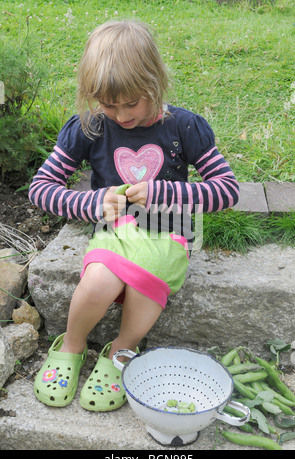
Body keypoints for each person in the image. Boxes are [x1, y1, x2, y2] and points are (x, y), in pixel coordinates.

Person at [29, 19, 239, 411]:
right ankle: (72, 345)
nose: (121, 115)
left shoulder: (185, 127)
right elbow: (40, 189)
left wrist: (166, 192)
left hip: (171, 228)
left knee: (145, 279)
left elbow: (227, 190)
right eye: (109, 105)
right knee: (98, 281)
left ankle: (121, 350)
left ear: (155, 82)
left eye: (132, 103)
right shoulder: (89, 127)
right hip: (116, 227)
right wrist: (93, 203)